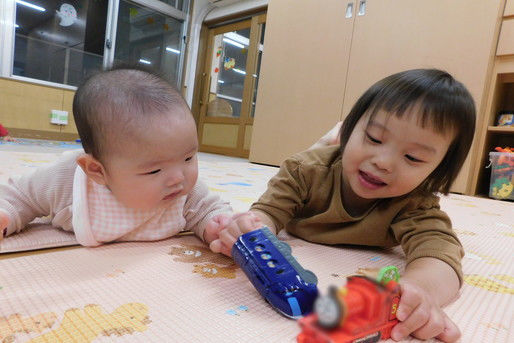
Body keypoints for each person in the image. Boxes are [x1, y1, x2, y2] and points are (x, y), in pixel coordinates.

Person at [208, 69, 476, 342]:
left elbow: (442, 255)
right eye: (373, 138)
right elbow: (267, 213)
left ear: (436, 171)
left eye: (413, 157)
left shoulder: (415, 203)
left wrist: (421, 289)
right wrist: (248, 231)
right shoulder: (305, 170)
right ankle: (333, 139)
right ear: (350, 128)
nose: (383, 161)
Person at [0, 67, 237, 247]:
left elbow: (207, 211)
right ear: (97, 171)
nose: (179, 178)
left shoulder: (184, 191)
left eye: (188, 158)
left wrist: (219, 226)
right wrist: (7, 213)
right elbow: (21, 196)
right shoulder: (68, 180)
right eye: (154, 170)